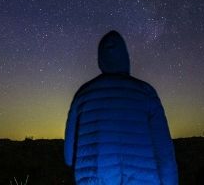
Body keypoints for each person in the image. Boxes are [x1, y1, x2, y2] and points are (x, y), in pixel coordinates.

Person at [64, 30, 178, 185]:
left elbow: (69, 156)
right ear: (125, 57)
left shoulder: (83, 95)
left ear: (101, 59)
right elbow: (164, 151)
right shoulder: (146, 92)